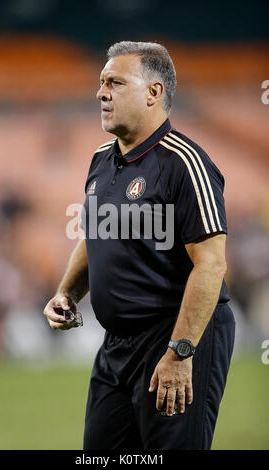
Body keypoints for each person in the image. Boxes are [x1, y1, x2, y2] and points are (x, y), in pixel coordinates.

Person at [43, 41, 235, 450]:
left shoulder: (185, 164)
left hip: (175, 337)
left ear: (153, 92)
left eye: (114, 82)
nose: (101, 92)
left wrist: (181, 354)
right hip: (116, 343)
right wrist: (67, 293)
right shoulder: (100, 159)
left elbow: (211, 266)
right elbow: (94, 235)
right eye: (100, 82)